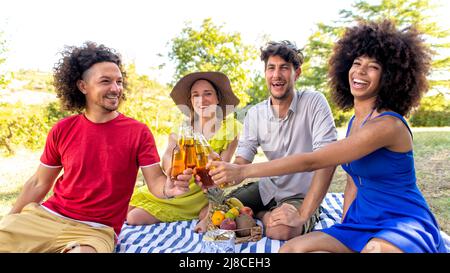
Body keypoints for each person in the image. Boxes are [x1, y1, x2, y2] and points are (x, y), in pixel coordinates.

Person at [209, 20, 447, 253]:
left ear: (389, 76)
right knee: (290, 250)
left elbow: (315, 160)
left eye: (373, 66)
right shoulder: (356, 122)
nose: (361, 71)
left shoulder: (388, 125)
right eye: (356, 63)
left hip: (400, 220)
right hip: (362, 221)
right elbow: (354, 181)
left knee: (375, 249)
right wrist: (345, 227)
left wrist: (244, 174)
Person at [0, 42, 192, 253]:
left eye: (119, 82)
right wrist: (9, 222)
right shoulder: (63, 129)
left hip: (95, 231)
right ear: (83, 86)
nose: (115, 88)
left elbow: (156, 180)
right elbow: (38, 183)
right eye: (105, 81)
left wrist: (169, 189)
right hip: (46, 218)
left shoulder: (138, 132)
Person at [206, 40, 337, 241]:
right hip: (267, 189)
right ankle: (262, 214)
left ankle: (261, 214)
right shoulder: (255, 114)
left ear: (297, 73)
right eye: (271, 68)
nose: (276, 75)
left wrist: (304, 213)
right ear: (265, 73)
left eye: (284, 68)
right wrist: (223, 169)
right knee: (210, 213)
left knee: (281, 231)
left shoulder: (314, 102)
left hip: (301, 193)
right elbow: (241, 164)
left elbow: (327, 160)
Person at [127, 71, 242, 233]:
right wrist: (172, 171)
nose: (201, 100)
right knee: (131, 216)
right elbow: (167, 155)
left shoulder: (230, 128)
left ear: (217, 98)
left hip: (202, 193)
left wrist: (210, 213)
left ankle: (204, 212)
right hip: (179, 187)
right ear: (191, 101)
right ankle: (186, 211)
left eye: (207, 94)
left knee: (133, 218)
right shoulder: (183, 127)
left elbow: (221, 177)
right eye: (196, 95)